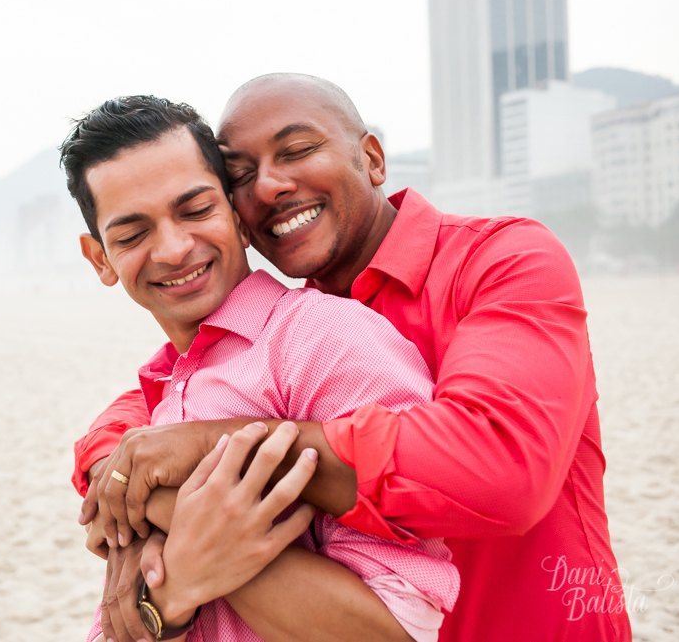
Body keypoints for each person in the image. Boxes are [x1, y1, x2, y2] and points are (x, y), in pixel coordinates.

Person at [75, 74, 631, 642]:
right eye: (241, 175)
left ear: (372, 159)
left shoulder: (499, 261)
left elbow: (501, 470)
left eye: (297, 150)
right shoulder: (280, 332)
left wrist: (196, 465)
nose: (268, 187)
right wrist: (123, 482)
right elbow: (154, 399)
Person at [61, 95, 460, 642]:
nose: (174, 249)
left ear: (239, 217)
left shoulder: (321, 339)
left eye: (195, 210)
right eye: (132, 235)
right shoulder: (168, 385)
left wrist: (174, 521)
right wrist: (167, 602)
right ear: (100, 258)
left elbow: (401, 628)